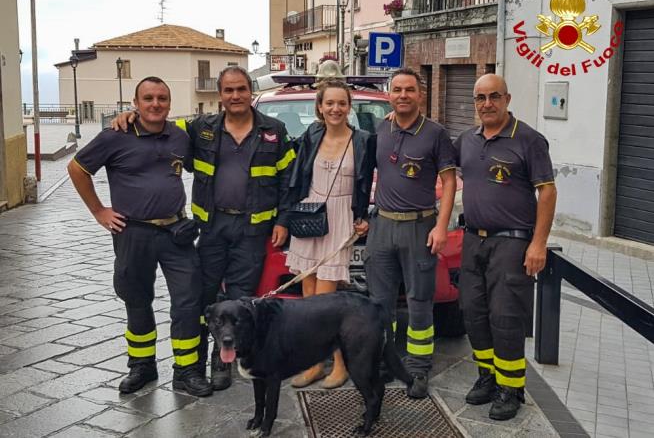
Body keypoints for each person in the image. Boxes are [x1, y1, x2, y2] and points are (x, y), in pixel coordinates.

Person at [113, 66, 296, 391]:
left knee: (241, 300)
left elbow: (289, 181)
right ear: (220, 95)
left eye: (241, 89)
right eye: (228, 91)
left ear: (250, 91)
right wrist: (130, 115)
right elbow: (158, 124)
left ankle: (222, 362)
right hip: (211, 227)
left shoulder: (275, 131)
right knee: (203, 298)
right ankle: (192, 367)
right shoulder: (200, 128)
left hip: (253, 230)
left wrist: (283, 220)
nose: (235, 96)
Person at [68, 77, 212, 397]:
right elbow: (77, 169)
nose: (155, 104)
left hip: (176, 232)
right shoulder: (114, 136)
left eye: (162, 98)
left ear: (170, 104)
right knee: (136, 299)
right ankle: (142, 366)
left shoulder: (179, 135)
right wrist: (98, 211)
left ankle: (187, 370)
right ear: (136, 103)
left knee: (188, 300)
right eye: (148, 98)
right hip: (133, 232)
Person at [454, 73, 557, 420]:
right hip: (473, 240)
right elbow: (438, 156)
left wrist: (538, 243)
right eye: (480, 98)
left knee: (506, 318)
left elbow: (548, 191)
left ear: (507, 99)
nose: (487, 104)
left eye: (494, 97)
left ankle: (511, 388)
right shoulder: (467, 140)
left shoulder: (528, 140)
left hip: (512, 244)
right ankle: (487, 377)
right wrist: (397, 115)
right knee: (474, 313)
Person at [364, 68, 457, 399]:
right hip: (382, 225)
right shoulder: (381, 126)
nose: (403, 95)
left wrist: (441, 226)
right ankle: (387, 361)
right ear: (390, 94)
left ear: (421, 94)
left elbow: (448, 183)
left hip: (420, 227)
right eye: (397, 89)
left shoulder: (436, 134)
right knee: (380, 303)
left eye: (409, 90)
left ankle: (418, 368)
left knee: (419, 301)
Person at [285, 79, 375, 389]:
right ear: (320, 108)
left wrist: (363, 215)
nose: (335, 109)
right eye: (329, 104)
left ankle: (340, 364)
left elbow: (366, 182)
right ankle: (314, 365)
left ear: (349, 107)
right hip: (309, 216)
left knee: (325, 303)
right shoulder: (311, 135)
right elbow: (295, 171)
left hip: (339, 219)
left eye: (341, 103)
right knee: (310, 299)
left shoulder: (363, 140)